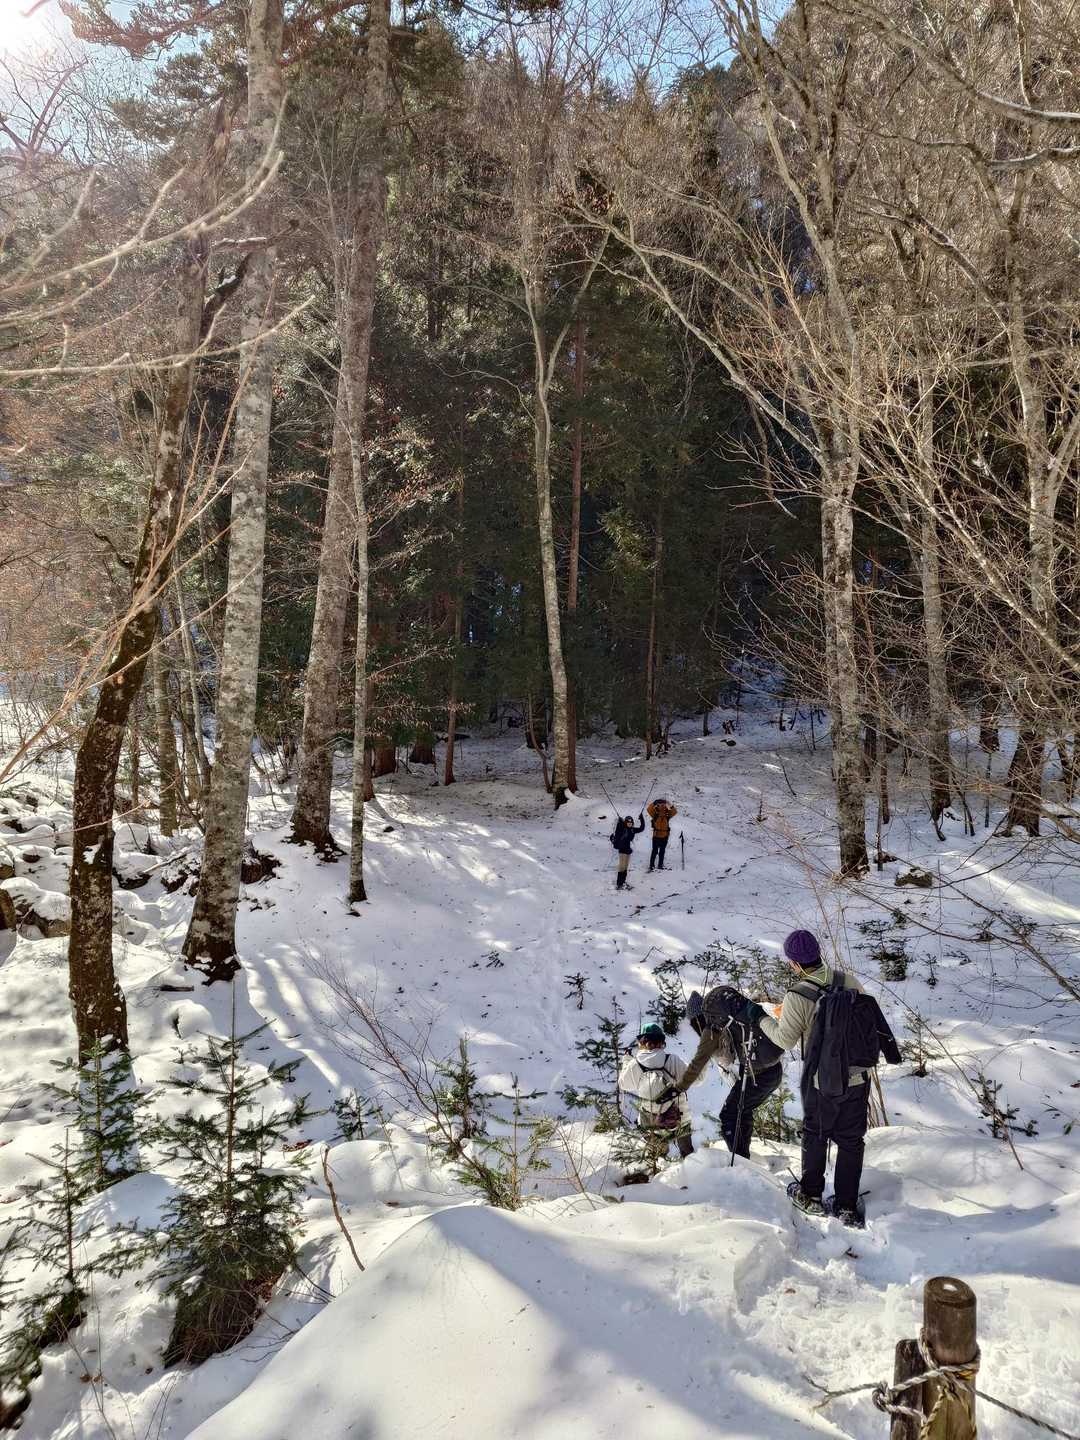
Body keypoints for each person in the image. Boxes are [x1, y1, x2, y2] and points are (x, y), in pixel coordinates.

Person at [744, 929, 872, 1227]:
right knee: (851, 1140)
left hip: (821, 1081)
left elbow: (784, 1039)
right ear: (818, 953)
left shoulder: (798, 994)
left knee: (816, 1134)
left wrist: (759, 1017)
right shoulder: (848, 981)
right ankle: (846, 1207)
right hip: (857, 1076)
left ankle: (811, 1195)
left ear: (794, 963)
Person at [658, 986, 783, 1158]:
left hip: (759, 1076)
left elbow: (698, 1062)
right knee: (740, 1112)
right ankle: (742, 1158)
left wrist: (678, 1088)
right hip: (768, 1070)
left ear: (698, 1018)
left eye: (693, 1021)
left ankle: (739, 1161)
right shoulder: (728, 1023)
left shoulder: (712, 1029)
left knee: (729, 1116)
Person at [618, 1023, 693, 1180]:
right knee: (687, 1151)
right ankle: (693, 1176)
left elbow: (623, 1084)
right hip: (679, 1117)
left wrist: (626, 1061)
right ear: (661, 1041)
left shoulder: (635, 1064)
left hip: (650, 1120)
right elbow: (694, 1079)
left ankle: (659, 1181)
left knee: (657, 1155)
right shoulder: (672, 1060)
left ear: (642, 1042)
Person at [611, 812, 645, 889]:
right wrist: (620, 822)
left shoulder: (632, 829)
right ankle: (619, 884)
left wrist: (641, 819)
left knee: (625, 867)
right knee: (622, 867)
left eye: (631, 823)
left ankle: (623, 882)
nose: (630, 824)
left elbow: (641, 828)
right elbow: (618, 829)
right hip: (622, 850)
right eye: (628, 823)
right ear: (625, 823)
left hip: (628, 850)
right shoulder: (622, 828)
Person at [646, 798, 678, 872]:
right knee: (654, 851)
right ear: (658, 804)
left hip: (665, 836)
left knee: (662, 851)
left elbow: (674, 812)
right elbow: (648, 809)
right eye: (660, 803)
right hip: (656, 836)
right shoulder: (655, 813)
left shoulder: (667, 813)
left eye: (664, 804)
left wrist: (670, 804)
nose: (662, 805)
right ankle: (651, 865)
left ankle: (660, 865)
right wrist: (654, 802)